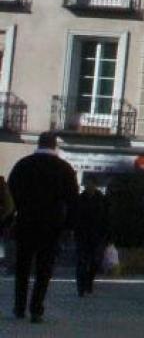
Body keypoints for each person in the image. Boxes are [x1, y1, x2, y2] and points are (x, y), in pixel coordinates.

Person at [8, 133, 79, 322]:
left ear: (39, 144)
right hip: (51, 225)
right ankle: (36, 309)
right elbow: (72, 199)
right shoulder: (64, 168)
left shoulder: (23, 165)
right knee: (44, 269)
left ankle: (19, 307)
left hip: (26, 222)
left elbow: (11, 192)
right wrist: (68, 226)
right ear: (54, 145)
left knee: (22, 267)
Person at [72, 182, 110, 297]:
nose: (90, 187)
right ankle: (81, 287)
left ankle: (89, 281)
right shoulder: (79, 199)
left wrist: (107, 234)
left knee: (95, 261)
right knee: (81, 262)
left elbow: (107, 218)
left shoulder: (102, 200)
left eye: (92, 185)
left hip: (98, 235)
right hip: (82, 235)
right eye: (88, 185)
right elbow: (74, 216)